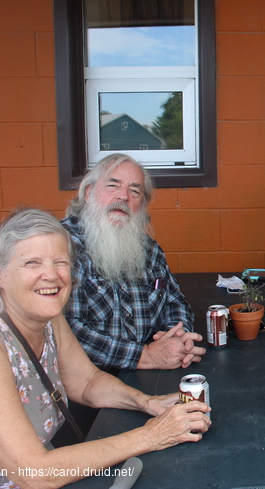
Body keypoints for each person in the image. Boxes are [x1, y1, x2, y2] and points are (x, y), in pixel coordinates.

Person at [0, 209, 210, 489]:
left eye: (61, 262)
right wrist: (152, 436)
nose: (51, 275)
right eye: (32, 263)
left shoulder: (48, 319)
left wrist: (145, 402)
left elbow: (87, 382)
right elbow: (36, 473)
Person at [62, 153, 204, 371]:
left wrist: (177, 340)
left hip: (151, 375)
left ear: (142, 205)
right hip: (86, 383)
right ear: (89, 193)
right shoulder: (61, 245)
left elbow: (175, 303)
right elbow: (64, 329)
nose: (123, 197)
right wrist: (144, 356)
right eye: (113, 186)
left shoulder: (149, 250)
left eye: (135, 191)